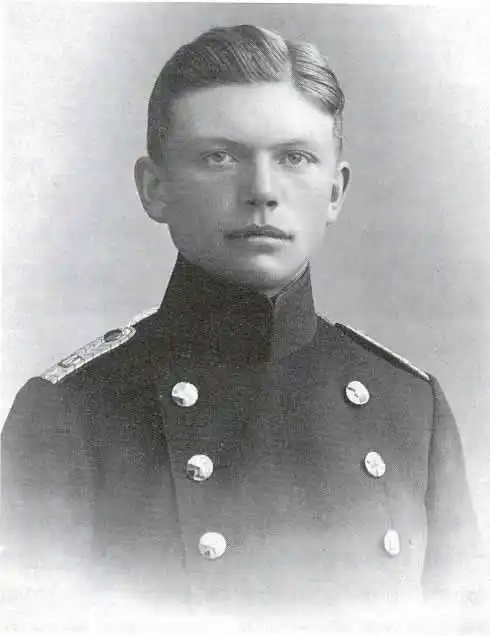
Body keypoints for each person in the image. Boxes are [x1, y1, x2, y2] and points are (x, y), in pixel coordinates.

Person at [1, 24, 484, 620]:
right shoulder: (70, 414)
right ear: (155, 189)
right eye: (220, 157)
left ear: (335, 192)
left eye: (294, 158)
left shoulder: (411, 407)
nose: (261, 191)